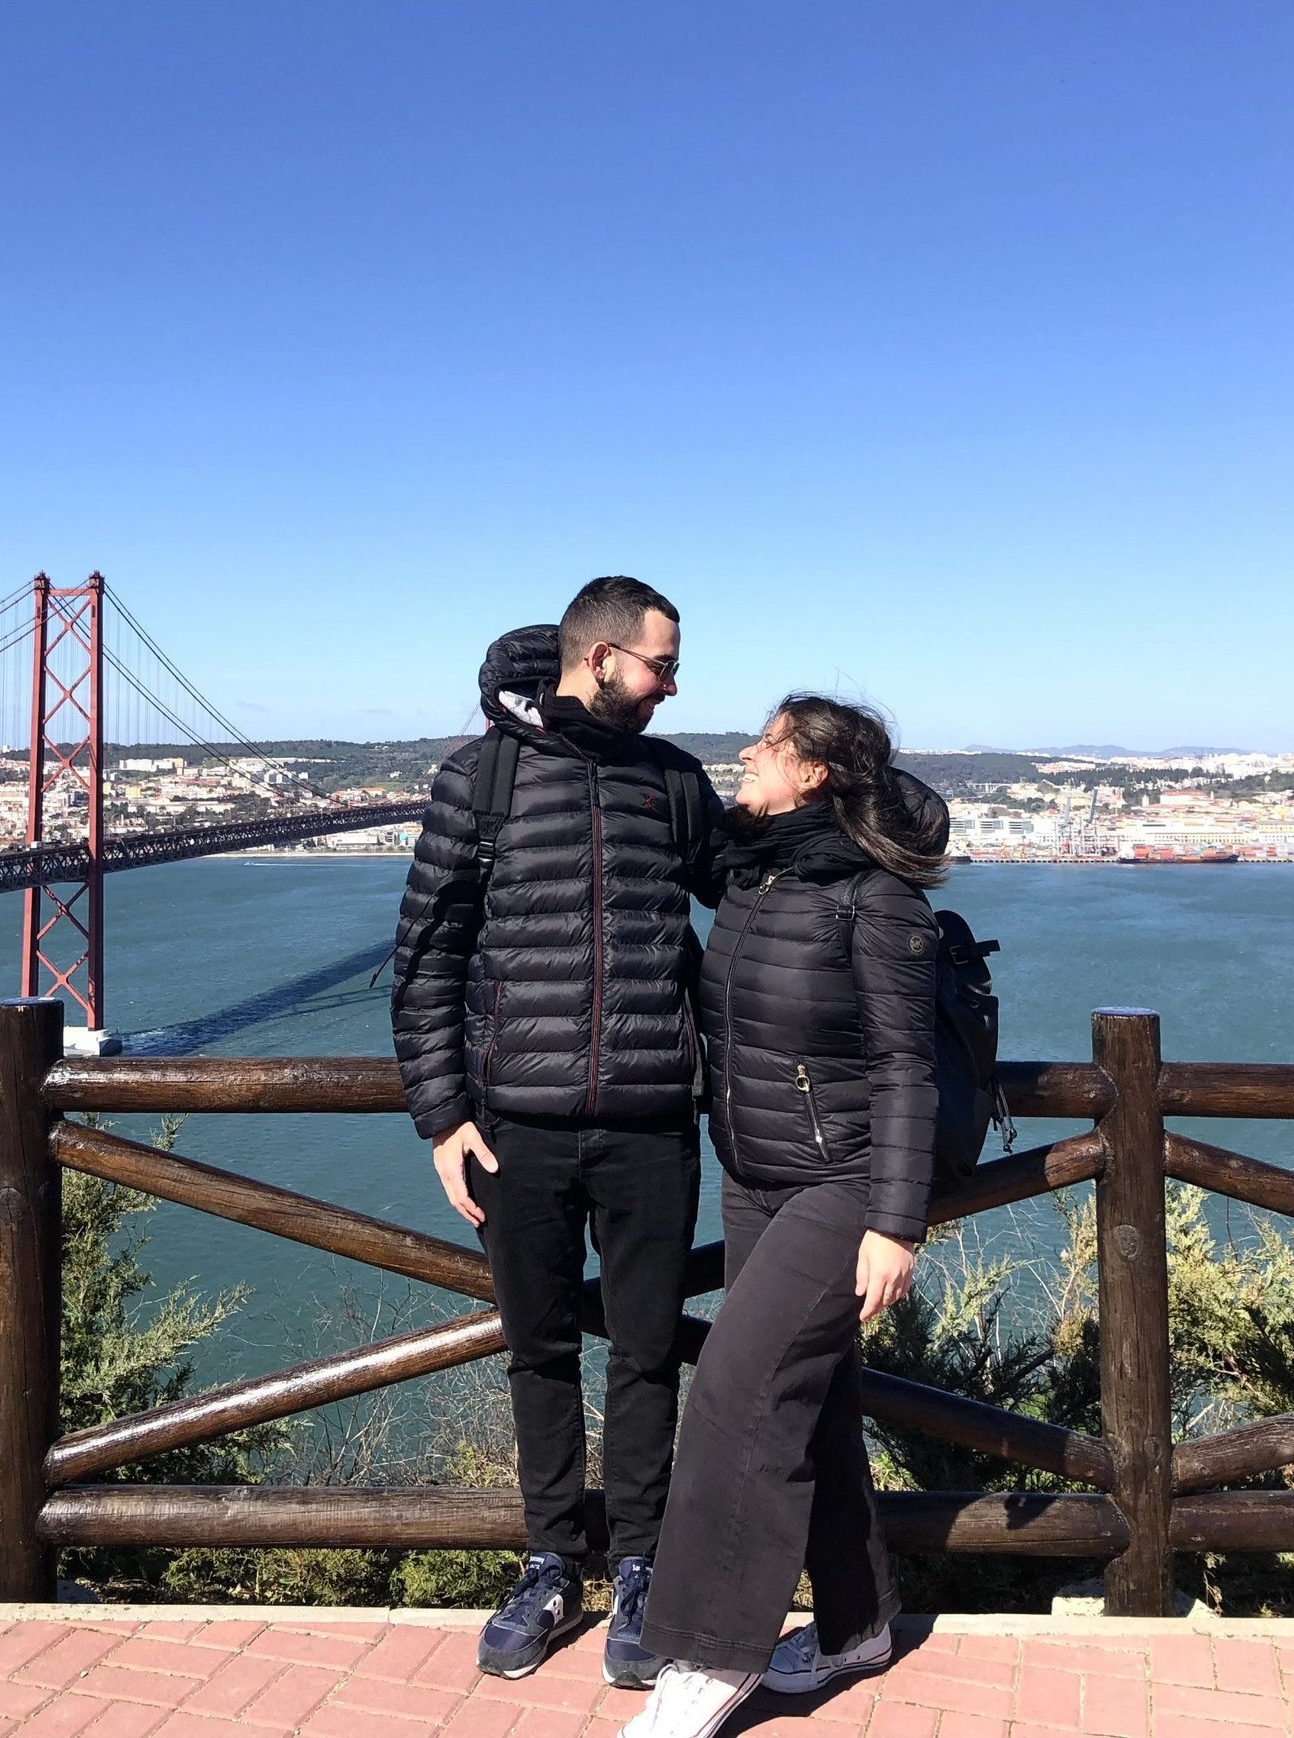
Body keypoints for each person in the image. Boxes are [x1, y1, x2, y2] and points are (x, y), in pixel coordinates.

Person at [391, 577, 722, 1687]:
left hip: (651, 1124)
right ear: (602, 658)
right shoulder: (479, 779)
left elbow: (750, 896)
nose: (672, 687)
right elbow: (426, 959)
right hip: (514, 1132)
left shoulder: (673, 783)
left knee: (646, 1354)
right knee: (536, 1351)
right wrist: (442, 1116)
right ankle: (549, 1562)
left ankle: (639, 1567)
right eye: (662, 666)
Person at [621, 694, 949, 1738]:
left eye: (766, 745)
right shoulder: (753, 870)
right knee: (813, 1402)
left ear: (814, 772)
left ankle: (711, 1655)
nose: (745, 756)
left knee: (736, 1391)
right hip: (755, 1175)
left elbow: (905, 1069)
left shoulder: (876, 901)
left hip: (840, 1186)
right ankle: (858, 1624)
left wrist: (895, 1223)